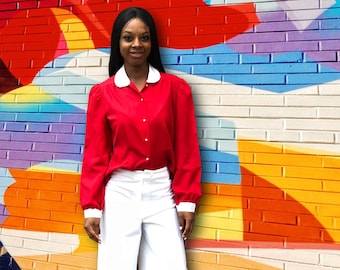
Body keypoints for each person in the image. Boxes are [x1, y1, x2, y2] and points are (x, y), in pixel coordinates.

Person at [80, 6, 202, 270]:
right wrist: (92, 208)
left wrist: (187, 200)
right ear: (118, 42)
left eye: (144, 37)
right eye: (128, 37)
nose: (137, 44)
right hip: (120, 192)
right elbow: (95, 154)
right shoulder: (102, 94)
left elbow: (187, 149)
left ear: (152, 42)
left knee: (171, 265)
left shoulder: (176, 90)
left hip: (161, 191)